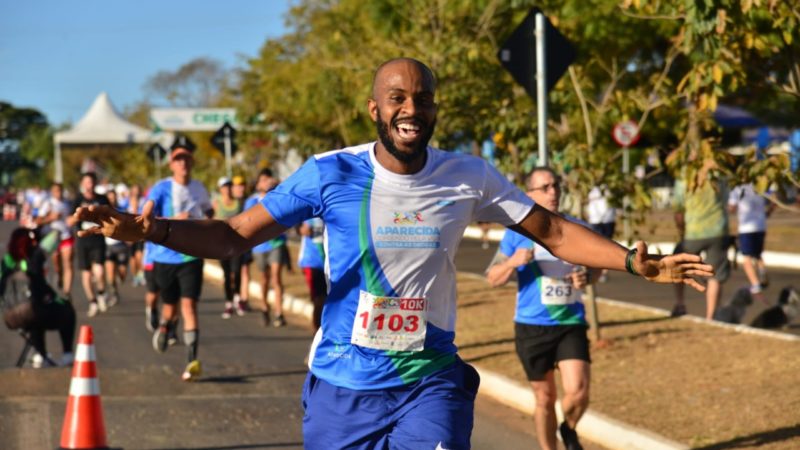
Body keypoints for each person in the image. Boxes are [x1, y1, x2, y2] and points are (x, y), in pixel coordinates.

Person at [74, 58, 713, 449]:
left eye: (423, 98)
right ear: (376, 108)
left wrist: (634, 260)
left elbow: (550, 228)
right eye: (399, 98)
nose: (412, 109)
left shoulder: (468, 174)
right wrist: (146, 230)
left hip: (426, 379)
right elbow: (234, 235)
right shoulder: (329, 174)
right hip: (341, 386)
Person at [486, 167, 600, 450]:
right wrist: (513, 262)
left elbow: (597, 266)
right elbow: (493, 277)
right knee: (545, 398)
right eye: (545, 187)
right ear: (530, 195)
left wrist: (587, 276)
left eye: (556, 186)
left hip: (570, 321)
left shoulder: (576, 227)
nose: (553, 192)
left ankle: (568, 427)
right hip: (532, 325)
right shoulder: (516, 233)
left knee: (578, 391)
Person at [145, 136, 213, 381]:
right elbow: (147, 220)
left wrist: (205, 224)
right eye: (178, 159)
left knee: (189, 306)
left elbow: (209, 212)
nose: (182, 163)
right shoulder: (161, 189)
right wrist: (176, 221)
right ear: (171, 164)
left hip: (191, 257)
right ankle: (165, 326)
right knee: (171, 307)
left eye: (186, 159)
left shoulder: (199, 187)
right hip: (165, 257)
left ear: (191, 162)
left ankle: (192, 361)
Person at [1, 228, 76, 368]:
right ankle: (67, 354)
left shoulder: (7, 262)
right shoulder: (34, 256)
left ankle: (39, 354)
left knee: (33, 317)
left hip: (10, 317)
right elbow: (54, 236)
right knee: (65, 310)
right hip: (33, 310)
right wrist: (39, 228)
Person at [671, 162, 730, 320]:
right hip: (718, 229)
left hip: (693, 231)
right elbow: (726, 200)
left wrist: (681, 231)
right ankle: (711, 316)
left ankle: (680, 304)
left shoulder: (685, 174)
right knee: (715, 275)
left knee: (677, 266)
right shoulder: (718, 173)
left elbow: (678, 208)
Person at [243, 169, 289, 327]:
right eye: (263, 179)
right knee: (264, 279)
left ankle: (279, 312)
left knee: (276, 277)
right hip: (260, 247)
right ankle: (264, 306)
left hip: (277, 243)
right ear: (257, 184)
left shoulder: (279, 197)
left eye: (269, 178)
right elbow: (248, 222)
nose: (267, 182)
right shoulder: (251, 202)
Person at [66, 172, 110, 317]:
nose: (88, 185)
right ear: (82, 184)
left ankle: (102, 293)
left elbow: (111, 216)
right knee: (86, 273)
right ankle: (92, 301)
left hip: (98, 238)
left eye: (91, 182)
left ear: (95, 184)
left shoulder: (102, 199)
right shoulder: (77, 199)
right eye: (86, 182)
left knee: (99, 271)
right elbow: (69, 221)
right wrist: (78, 215)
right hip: (82, 240)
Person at [728, 182, 774, 304]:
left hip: (746, 227)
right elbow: (774, 199)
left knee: (746, 257)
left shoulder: (737, 188)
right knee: (757, 254)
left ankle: (755, 285)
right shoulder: (760, 184)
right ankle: (762, 272)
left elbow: (731, 207)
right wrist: (768, 211)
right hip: (761, 225)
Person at [213, 177, 246, 319]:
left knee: (237, 270)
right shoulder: (216, 203)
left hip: (237, 243)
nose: (227, 188)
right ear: (220, 189)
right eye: (224, 186)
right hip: (221, 244)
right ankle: (228, 303)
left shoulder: (239, 203)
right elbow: (212, 220)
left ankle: (237, 297)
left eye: (229, 186)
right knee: (227, 274)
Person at [35, 182, 75, 299]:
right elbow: (38, 221)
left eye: (60, 190)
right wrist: (51, 218)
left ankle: (67, 292)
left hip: (66, 235)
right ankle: (59, 274)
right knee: (57, 261)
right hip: (53, 236)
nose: (59, 193)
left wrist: (72, 220)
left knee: (68, 262)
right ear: (52, 192)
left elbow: (73, 217)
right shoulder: (48, 204)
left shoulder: (68, 203)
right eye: (56, 191)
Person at [297, 217, 326, 330]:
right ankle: (317, 329)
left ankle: (321, 327)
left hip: (329, 263)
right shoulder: (307, 213)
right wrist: (302, 229)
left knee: (327, 298)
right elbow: (299, 229)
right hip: (311, 261)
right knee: (318, 298)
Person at [102, 188, 129, 307]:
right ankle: (114, 294)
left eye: (113, 197)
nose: (111, 200)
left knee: (122, 274)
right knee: (110, 275)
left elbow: (129, 224)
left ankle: (120, 276)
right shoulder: (102, 213)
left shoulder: (122, 210)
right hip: (108, 246)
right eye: (109, 198)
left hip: (121, 246)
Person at [585, 185, 616, 282]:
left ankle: (604, 272)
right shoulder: (590, 186)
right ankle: (597, 270)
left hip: (608, 219)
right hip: (595, 219)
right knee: (596, 247)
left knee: (607, 246)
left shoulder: (610, 186)